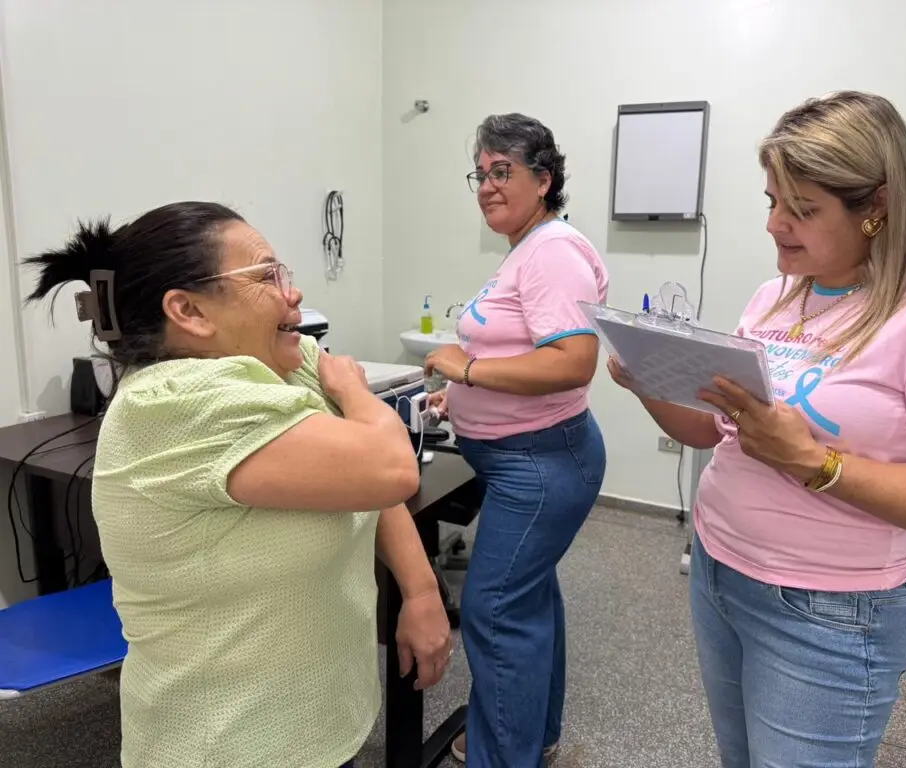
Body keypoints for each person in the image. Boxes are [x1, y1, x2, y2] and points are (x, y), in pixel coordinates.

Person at [609, 90, 906, 767]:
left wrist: (815, 463)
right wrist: (648, 378)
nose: (775, 225)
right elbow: (714, 432)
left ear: (877, 206)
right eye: (771, 200)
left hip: (830, 613)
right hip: (719, 571)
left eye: (802, 209)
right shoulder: (777, 295)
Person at [23, 202, 453, 768]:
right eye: (267, 276)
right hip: (229, 742)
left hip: (318, 715)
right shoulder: (175, 403)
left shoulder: (280, 358)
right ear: (189, 310)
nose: (293, 292)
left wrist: (420, 592)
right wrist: (353, 391)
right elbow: (390, 466)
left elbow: (364, 480)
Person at [423, 113, 609, 767]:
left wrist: (466, 370)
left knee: (495, 608)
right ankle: (532, 737)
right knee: (528, 600)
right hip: (527, 457)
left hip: (539, 463)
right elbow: (522, 351)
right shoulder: (528, 249)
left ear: (543, 179)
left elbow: (572, 362)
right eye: (480, 174)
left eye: (503, 171)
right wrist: (459, 397)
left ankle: (504, 755)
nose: (487, 186)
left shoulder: (552, 252)